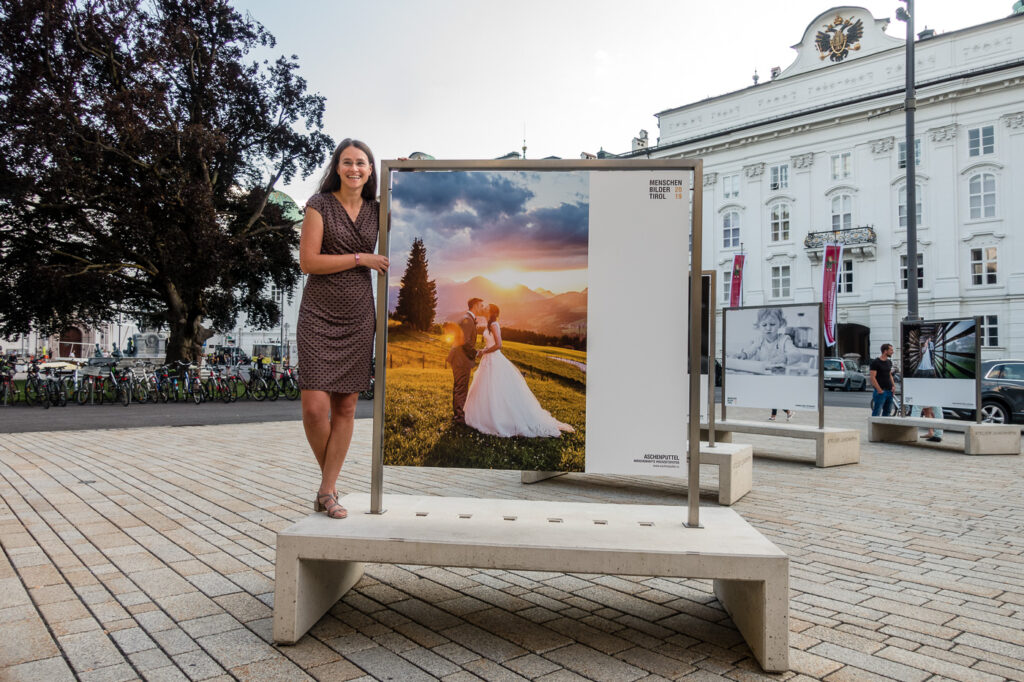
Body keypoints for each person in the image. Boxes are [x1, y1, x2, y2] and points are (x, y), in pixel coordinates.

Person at [297, 139, 389, 520]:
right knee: (315, 408)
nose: (354, 169)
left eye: (362, 163)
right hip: (319, 313)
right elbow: (308, 262)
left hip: (357, 314)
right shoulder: (319, 206)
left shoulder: (378, 210)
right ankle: (330, 487)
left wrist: (410, 169)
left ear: (370, 171)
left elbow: (422, 206)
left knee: (346, 407)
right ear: (337, 167)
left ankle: (326, 491)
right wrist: (359, 259)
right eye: (347, 162)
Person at [464, 304, 574, 437]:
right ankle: (482, 415)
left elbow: (499, 345)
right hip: (487, 360)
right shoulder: (489, 324)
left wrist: (484, 351)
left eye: (487, 308)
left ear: (491, 312)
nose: (484, 309)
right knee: (486, 388)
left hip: (494, 360)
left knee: (496, 389)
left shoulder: (494, 324)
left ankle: (499, 418)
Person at [730, 307, 804, 372]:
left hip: (778, 374)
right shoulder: (759, 340)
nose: (768, 328)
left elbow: (797, 354)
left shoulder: (784, 340)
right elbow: (750, 351)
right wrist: (744, 354)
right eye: (764, 325)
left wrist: (785, 357)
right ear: (759, 325)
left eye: (772, 324)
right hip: (761, 373)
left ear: (780, 324)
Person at [449, 298, 487, 425]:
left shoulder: (468, 319)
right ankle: (459, 418)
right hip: (461, 359)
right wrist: (476, 353)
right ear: (475, 306)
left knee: (459, 386)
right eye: (481, 306)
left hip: (460, 358)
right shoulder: (468, 320)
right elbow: (465, 342)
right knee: (461, 388)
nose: (483, 308)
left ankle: (458, 415)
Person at [869, 343, 896, 417]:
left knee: (887, 412)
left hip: (889, 391)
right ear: (885, 351)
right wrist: (879, 390)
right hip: (881, 392)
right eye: (891, 350)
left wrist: (893, 386)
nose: (892, 352)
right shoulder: (875, 362)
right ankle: (875, 428)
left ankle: (885, 428)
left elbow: (889, 374)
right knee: (877, 412)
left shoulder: (889, 362)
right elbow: (872, 377)